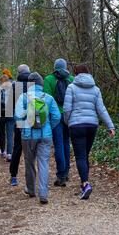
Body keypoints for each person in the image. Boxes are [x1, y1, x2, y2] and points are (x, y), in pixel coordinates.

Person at [63, 64, 115, 200]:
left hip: (76, 125)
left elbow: (67, 109)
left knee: (80, 156)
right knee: (84, 155)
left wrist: (68, 122)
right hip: (92, 125)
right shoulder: (96, 89)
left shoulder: (71, 88)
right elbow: (101, 109)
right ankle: (83, 183)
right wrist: (110, 126)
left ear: (76, 74)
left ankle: (86, 184)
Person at [15, 73, 60, 205]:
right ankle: (43, 194)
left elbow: (17, 116)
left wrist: (24, 128)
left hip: (28, 136)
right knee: (43, 163)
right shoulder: (49, 98)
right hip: (45, 136)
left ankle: (31, 189)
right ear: (41, 84)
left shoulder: (23, 97)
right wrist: (48, 127)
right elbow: (57, 116)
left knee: (29, 162)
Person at [44, 58, 75, 187]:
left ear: (55, 67)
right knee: (66, 143)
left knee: (58, 144)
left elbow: (46, 100)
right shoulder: (72, 79)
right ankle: (66, 172)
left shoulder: (49, 79)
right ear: (65, 67)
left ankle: (61, 175)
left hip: (56, 116)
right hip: (69, 115)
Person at [9, 64, 31, 186]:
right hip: (33, 120)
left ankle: (13, 176)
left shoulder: (14, 86)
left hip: (19, 120)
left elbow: (10, 103)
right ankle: (32, 178)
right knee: (32, 149)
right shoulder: (34, 84)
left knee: (17, 147)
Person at [0, 74, 15, 162]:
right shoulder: (13, 89)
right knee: (10, 134)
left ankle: (3, 151)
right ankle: (9, 153)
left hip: (0, 114)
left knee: (1, 133)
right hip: (10, 113)